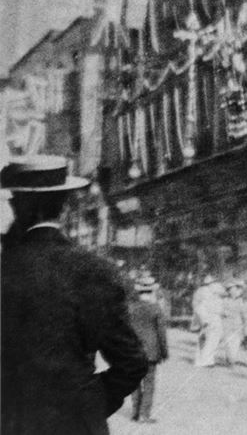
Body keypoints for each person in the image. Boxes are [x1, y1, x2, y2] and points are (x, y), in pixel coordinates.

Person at [0, 155, 149, 434]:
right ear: (64, 205)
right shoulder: (94, 270)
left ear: (17, 204)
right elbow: (132, 362)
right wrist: (86, 404)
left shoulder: (5, 268)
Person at [128, 276, 169, 424]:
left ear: (139, 292)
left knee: (135, 382)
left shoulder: (130, 308)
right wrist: (164, 352)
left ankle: (135, 412)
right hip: (151, 352)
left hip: (133, 351)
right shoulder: (156, 309)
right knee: (149, 383)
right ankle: (144, 415)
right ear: (152, 291)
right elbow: (161, 333)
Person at [194, 275, 225, 367]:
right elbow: (200, 309)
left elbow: (221, 310)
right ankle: (204, 360)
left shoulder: (218, 299)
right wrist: (204, 320)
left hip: (216, 321)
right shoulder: (207, 297)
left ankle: (209, 360)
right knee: (207, 341)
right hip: (209, 322)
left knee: (213, 341)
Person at [220, 280, 247, 366]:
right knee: (228, 343)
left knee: (235, 343)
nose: (232, 292)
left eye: (234, 290)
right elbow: (220, 311)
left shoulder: (241, 301)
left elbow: (244, 314)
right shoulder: (225, 300)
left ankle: (232, 360)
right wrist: (224, 313)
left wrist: (244, 324)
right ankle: (229, 359)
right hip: (227, 324)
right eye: (230, 290)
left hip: (237, 325)